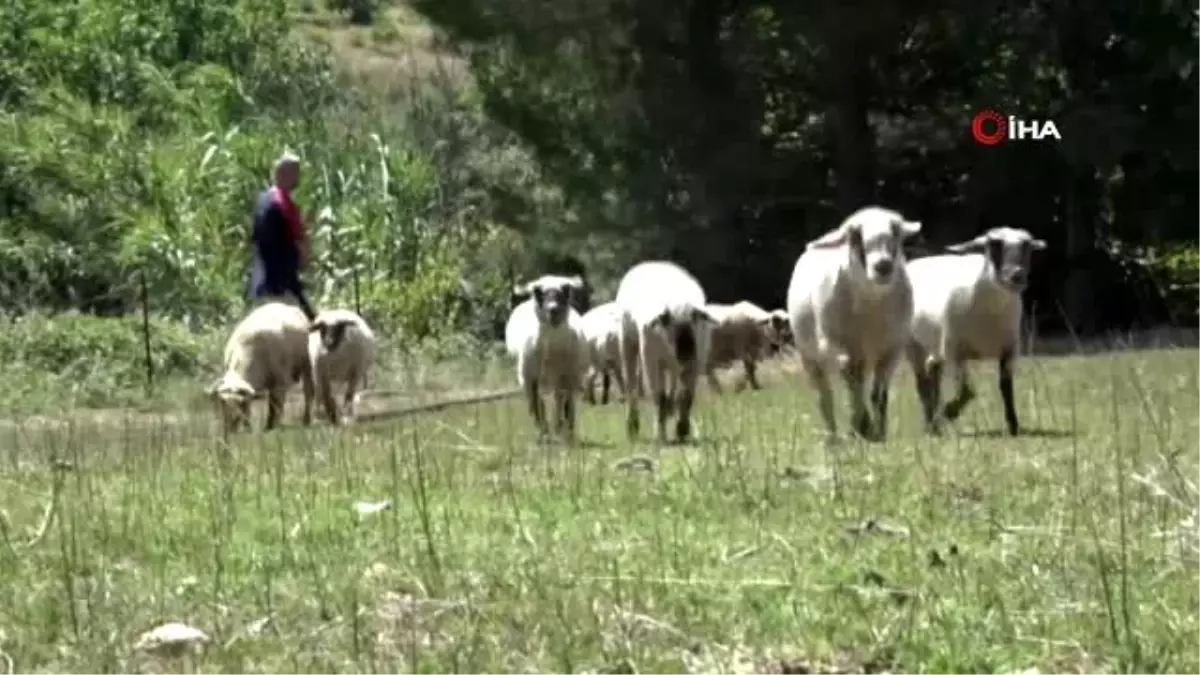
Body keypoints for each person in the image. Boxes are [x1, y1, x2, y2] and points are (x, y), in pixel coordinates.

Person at [247, 152, 318, 321]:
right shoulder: (284, 203)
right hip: (283, 283)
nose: (298, 178)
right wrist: (306, 259)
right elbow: (300, 240)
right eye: (295, 173)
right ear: (284, 174)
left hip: (261, 280)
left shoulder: (262, 199)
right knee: (311, 324)